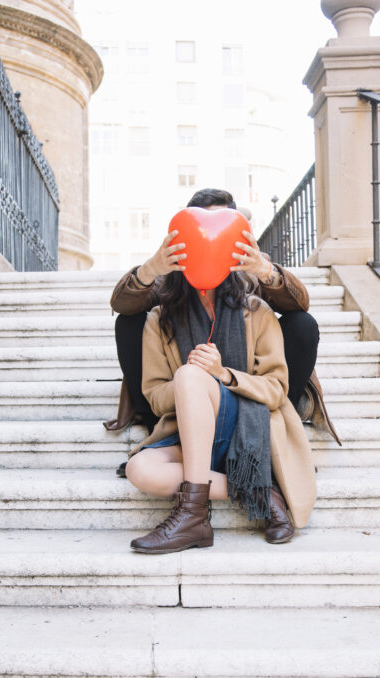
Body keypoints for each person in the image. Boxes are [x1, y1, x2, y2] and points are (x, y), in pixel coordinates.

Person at [106, 189, 340, 466]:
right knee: (129, 322)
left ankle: (271, 427)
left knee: (302, 325)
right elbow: (122, 304)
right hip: (182, 385)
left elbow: (299, 304)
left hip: (246, 381)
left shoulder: (249, 264)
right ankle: (159, 430)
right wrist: (150, 269)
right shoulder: (171, 271)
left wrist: (264, 270)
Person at [124, 266, 316, 550]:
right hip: (191, 433)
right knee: (139, 470)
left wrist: (222, 374)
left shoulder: (257, 311)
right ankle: (259, 490)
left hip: (247, 426)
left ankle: (192, 516)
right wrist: (189, 382)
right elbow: (154, 396)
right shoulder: (160, 319)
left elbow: (277, 389)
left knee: (190, 375)